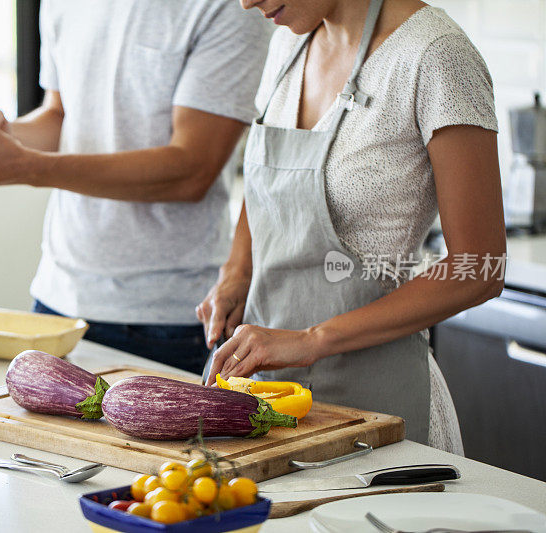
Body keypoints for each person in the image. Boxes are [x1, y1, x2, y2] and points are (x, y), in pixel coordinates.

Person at [197, 0, 505, 451]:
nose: (246, 2)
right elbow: (266, 177)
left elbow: (480, 268)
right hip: (268, 403)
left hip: (383, 410)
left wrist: (312, 340)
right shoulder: (288, 44)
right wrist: (236, 271)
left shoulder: (437, 56)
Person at [0, 2, 272, 374]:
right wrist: (1, 138)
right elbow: (60, 116)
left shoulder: (232, 6)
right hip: (55, 298)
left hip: (166, 318)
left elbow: (190, 171)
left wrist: (24, 166)